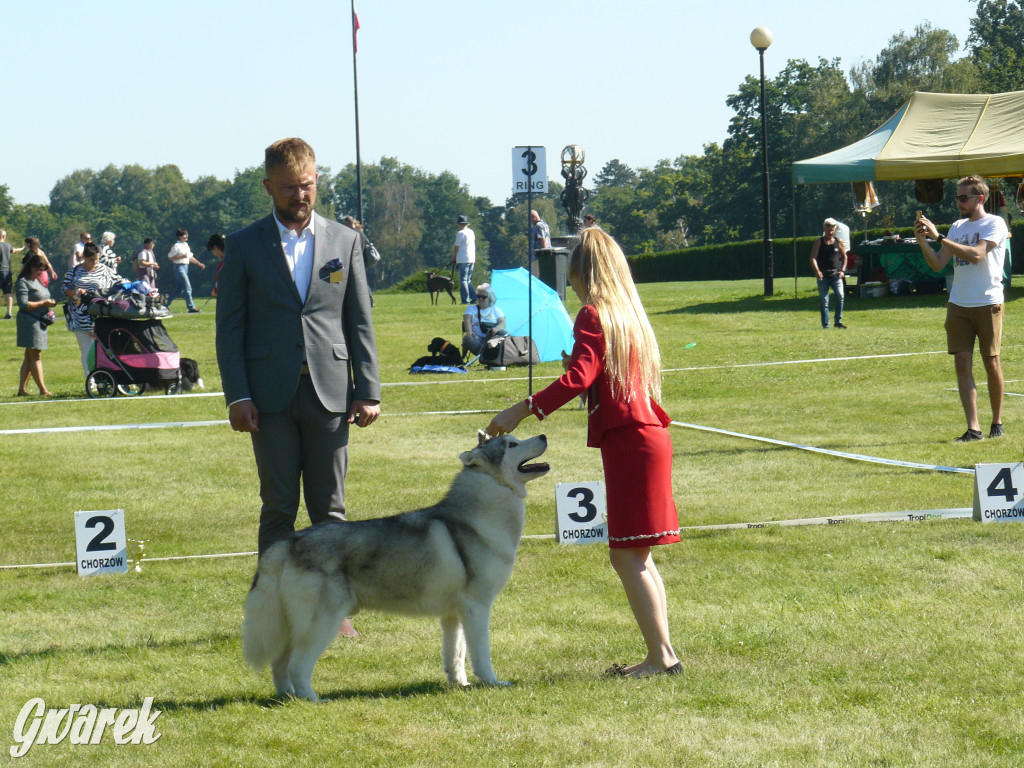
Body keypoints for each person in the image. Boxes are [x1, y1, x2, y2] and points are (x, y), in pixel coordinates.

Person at [487, 227, 682, 678]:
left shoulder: (593, 316)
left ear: (582, 274)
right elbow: (593, 375)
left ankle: (661, 658)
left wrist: (523, 409)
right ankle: (662, 654)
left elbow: (578, 379)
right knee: (638, 554)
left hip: (631, 441)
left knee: (626, 555)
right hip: (648, 435)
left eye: (572, 277)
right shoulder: (628, 316)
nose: (571, 287)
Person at [216, 136, 381, 564]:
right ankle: (273, 603)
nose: (300, 195)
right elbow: (230, 329)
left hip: (331, 394)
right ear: (268, 186)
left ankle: (334, 604)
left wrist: (368, 389)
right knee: (278, 508)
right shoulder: (244, 244)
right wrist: (238, 395)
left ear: (317, 180)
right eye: (288, 187)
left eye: (306, 184)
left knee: (330, 510)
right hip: (267, 398)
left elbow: (359, 319)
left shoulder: (344, 241)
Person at [916, 174, 1010, 442]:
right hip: (958, 303)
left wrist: (940, 236)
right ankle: (973, 428)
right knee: (962, 362)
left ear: (979, 198)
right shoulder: (957, 227)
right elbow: (937, 264)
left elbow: (977, 254)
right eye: (957, 197)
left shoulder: (995, 223)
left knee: (991, 362)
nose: (958, 202)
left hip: (988, 302)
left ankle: (997, 422)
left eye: (963, 197)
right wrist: (924, 240)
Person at [63, 241, 123, 374]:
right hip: (79, 316)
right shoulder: (74, 271)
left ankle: (106, 376)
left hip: (101, 315)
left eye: (97, 259)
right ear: (84, 257)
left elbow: (120, 282)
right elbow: (65, 288)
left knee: (104, 348)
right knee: (86, 349)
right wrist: (75, 292)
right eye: (91, 260)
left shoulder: (105, 270)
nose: (95, 262)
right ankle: (91, 380)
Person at [15, 254, 58, 396]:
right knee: (36, 356)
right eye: (39, 270)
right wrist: (43, 304)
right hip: (29, 322)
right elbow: (24, 305)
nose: (42, 273)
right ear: (31, 267)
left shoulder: (38, 282)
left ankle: (22, 390)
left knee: (29, 356)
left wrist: (49, 304)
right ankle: (43, 390)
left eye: (43, 270)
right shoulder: (23, 282)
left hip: (40, 322)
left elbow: (42, 297)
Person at [810, 218, 848, 329]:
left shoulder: (838, 241)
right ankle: (826, 325)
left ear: (835, 230)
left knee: (840, 296)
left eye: (832, 230)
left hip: (836, 276)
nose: (830, 232)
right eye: (828, 230)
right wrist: (817, 272)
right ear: (824, 229)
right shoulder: (818, 242)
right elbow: (813, 258)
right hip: (823, 277)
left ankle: (838, 322)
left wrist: (843, 271)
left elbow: (844, 257)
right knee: (824, 301)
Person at [462, 282, 506, 357]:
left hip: (492, 339)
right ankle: (486, 356)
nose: (480, 299)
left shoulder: (496, 310)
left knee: (504, 333)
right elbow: (467, 320)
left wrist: (496, 329)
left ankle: (493, 354)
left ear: (490, 298)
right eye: (478, 296)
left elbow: (502, 323)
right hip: (476, 338)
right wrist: (469, 331)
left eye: (483, 297)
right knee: (468, 338)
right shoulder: (471, 308)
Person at [166, 229, 206, 313]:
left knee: (178, 290)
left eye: (187, 234)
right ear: (179, 237)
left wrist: (199, 263)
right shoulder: (176, 246)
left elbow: (189, 257)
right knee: (188, 287)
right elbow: (170, 257)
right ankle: (191, 307)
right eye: (184, 235)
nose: (187, 236)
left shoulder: (186, 245)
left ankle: (164, 305)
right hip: (179, 268)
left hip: (185, 267)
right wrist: (181, 256)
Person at [341, 216, 376, 307]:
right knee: (362, 280)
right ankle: (369, 299)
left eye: (345, 224)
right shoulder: (360, 233)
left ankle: (366, 299)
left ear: (348, 224)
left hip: (353, 260)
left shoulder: (351, 233)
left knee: (355, 281)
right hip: (361, 260)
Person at [450, 214, 476, 303]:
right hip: (472, 258)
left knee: (463, 280)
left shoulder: (460, 233)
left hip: (463, 258)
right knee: (468, 280)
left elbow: (456, 247)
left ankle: (465, 299)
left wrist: (454, 257)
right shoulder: (471, 232)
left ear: (460, 224)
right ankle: (474, 297)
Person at [529, 209, 551, 276]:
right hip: (546, 255)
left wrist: (542, 254)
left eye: (530, 219)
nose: (529, 221)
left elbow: (542, 239)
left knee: (536, 277)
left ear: (534, 218)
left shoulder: (538, 227)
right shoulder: (545, 225)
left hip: (537, 257)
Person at [206, 233, 225, 298]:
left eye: (212, 251)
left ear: (215, 247)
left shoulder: (224, 263)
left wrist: (214, 292)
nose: (214, 254)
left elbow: (217, 292)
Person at [1, 229, 12, 319]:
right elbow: (15, 250)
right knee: (8, 293)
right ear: (3, 236)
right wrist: (22, 248)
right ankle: (9, 312)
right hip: (7, 271)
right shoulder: (8, 246)